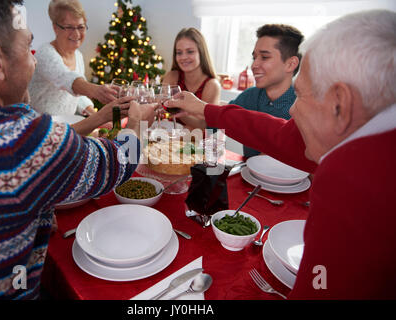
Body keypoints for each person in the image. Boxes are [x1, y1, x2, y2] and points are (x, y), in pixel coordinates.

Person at [166, 9, 396, 299]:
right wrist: (207, 110)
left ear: (340, 102)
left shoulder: (353, 178)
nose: (291, 110)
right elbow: (281, 136)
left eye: (301, 96)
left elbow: (321, 288)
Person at [0, 0, 156, 299]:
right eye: (28, 49)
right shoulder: (24, 140)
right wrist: (135, 122)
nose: (33, 61)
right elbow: (120, 161)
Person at [28, 0, 117, 116]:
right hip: (39, 126)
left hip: (65, 126)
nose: (76, 34)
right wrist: (97, 90)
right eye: (69, 27)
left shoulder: (78, 56)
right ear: (55, 28)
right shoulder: (45, 53)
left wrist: (95, 115)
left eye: (81, 27)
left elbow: (76, 96)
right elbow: (66, 78)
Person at [226, 24, 304, 157]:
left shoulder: (304, 108)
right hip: (248, 175)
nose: (254, 65)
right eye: (254, 57)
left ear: (291, 64)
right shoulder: (250, 96)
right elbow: (217, 122)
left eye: (265, 57)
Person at [162, 27, 220, 129]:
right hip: (170, 138)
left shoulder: (212, 85)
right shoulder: (172, 76)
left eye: (190, 51)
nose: (183, 57)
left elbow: (205, 125)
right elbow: (162, 111)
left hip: (197, 142)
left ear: (201, 53)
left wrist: (179, 110)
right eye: (179, 52)